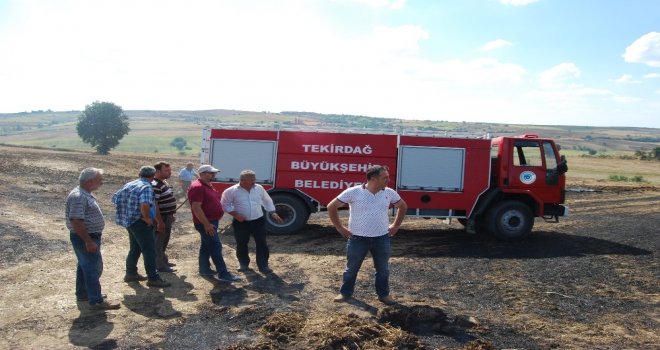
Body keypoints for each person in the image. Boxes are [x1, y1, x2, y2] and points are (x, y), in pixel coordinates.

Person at [327, 165, 408, 306]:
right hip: (357, 238)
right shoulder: (354, 192)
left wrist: (396, 225)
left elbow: (403, 206)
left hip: (381, 238)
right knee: (352, 268)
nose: (388, 180)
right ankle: (345, 293)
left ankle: (384, 295)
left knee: (383, 269)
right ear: (373, 179)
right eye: (385, 178)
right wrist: (339, 227)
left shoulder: (389, 193)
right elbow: (331, 206)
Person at [66, 167, 121, 310]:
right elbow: (76, 221)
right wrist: (88, 241)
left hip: (89, 236)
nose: (102, 183)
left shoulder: (84, 194)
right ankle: (96, 301)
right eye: (99, 180)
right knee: (92, 268)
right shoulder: (79, 196)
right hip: (86, 237)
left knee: (84, 266)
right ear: (90, 181)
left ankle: (83, 294)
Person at [112, 166, 171, 288]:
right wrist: (146, 217)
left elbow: (115, 198)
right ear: (153, 175)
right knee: (149, 250)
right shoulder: (146, 187)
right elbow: (144, 204)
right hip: (140, 222)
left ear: (140, 173)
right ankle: (153, 278)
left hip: (130, 221)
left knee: (135, 248)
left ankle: (131, 273)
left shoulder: (130, 184)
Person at [221, 169, 283, 274]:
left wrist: (273, 212)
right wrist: (235, 214)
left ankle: (263, 266)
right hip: (241, 222)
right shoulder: (231, 191)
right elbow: (224, 204)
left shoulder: (259, 188)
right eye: (252, 179)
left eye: (254, 178)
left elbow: (267, 200)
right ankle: (243, 264)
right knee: (241, 243)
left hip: (258, 221)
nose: (254, 181)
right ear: (243, 180)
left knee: (262, 243)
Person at [188, 164, 240, 282]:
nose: (214, 174)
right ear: (202, 174)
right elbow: (196, 207)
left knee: (206, 246)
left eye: (214, 173)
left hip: (211, 221)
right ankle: (223, 274)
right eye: (211, 173)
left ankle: (204, 269)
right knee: (215, 246)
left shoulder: (207, 185)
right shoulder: (198, 187)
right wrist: (206, 224)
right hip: (206, 222)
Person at [152, 161, 178, 273]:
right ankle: (159, 265)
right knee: (159, 241)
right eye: (166, 170)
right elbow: (154, 204)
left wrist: (171, 214)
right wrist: (159, 222)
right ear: (157, 172)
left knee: (164, 240)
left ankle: (163, 260)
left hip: (167, 216)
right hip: (161, 217)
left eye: (170, 170)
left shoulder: (163, 183)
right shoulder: (155, 185)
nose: (169, 172)